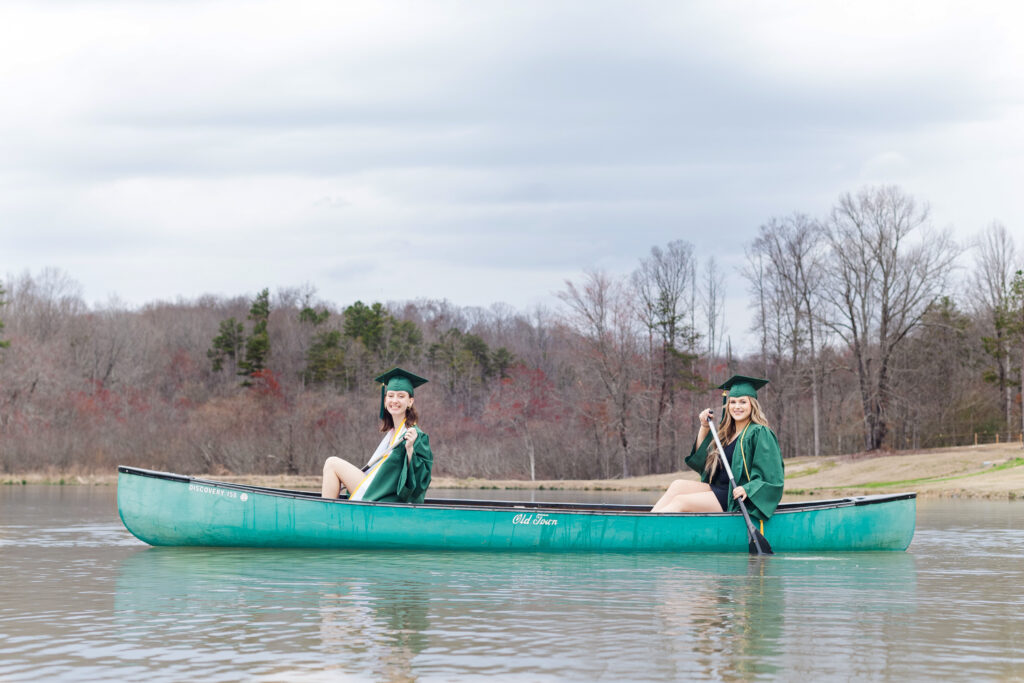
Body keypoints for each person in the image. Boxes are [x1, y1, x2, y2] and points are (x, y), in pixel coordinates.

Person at [651, 375, 784, 520]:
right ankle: (644, 524)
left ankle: (647, 533)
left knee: (680, 502)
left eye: (743, 402)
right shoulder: (726, 433)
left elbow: (772, 476)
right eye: (732, 402)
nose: (737, 407)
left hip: (737, 497)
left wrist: (748, 488)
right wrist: (704, 426)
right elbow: (703, 461)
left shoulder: (759, 432)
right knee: (678, 486)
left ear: (752, 404)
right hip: (719, 490)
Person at [321, 368, 433, 503]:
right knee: (332, 465)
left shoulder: (415, 435)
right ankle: (330, 511)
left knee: (332, 463)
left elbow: (422, 481)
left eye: (401, 396)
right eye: (391, 396)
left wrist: (410, 450)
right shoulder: (392, 433)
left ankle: (327, 513)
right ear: (385, 401)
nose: (395, 400)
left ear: (410, 401)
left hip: (388, 497)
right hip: (377, 489)